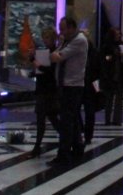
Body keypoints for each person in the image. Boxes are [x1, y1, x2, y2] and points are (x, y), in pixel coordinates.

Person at [49, 16, 87, 166]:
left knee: (67, 120)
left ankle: (64, 153)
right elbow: (55, 54)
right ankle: (77, 147)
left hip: (72, 85)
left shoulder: (78, 40)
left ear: (71, 28)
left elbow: (57, 56)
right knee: (73, 119)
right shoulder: (67, 41)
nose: (61, 31)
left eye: (63, 28)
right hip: (66, 84)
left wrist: (57, 53)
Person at [29, 27, 59, 157]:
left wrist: (37, 65)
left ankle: (69, 139)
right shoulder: (45, 52)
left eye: (47, 38)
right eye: (44, 38)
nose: (45, 40)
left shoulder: (54, 53)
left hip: (49, 89)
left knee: (49, 117)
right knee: (45, 117)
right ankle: (37, 146)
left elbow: (50, 71)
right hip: (43, 88)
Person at [100, 27, 123, 126]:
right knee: (109, 99)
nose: (118, 36)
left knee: (119, 99)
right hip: (109, 75)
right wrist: (112, 57)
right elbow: (105, 59)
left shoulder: (122, 45)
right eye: (116, 34)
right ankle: (107, 119)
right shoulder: (107, 46)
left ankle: (117, 119)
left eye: (119, 34)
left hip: (119, 74)